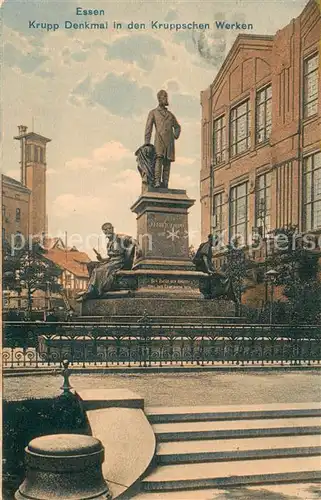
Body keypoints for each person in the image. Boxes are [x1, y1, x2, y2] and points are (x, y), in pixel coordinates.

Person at [79, 223, 140, 300]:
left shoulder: (120, 238)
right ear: (103, 231)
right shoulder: (109, 243)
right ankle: (91, 289)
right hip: (111, 262)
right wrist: (101, 259)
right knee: (91, 265)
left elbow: (133, 240)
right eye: (105, 230)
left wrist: (138, 248)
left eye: (109, 228)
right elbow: (110, 258)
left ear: (113, 228)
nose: (108, 231)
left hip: (119, 262)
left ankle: (91, 292)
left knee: (98, 270)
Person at [144, 90, 181, 188]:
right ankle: (157, 181)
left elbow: (177, 127)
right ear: (159, 99)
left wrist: (175, 135)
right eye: (164, 97)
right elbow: (148, 128)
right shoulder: (153, 112)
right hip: (159, 140)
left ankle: (165, 183)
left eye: (166, 97)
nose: (166, 99)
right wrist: (147, 144)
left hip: (169, 142)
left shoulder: (170, 115)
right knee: (158, 160)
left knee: (167, 162)